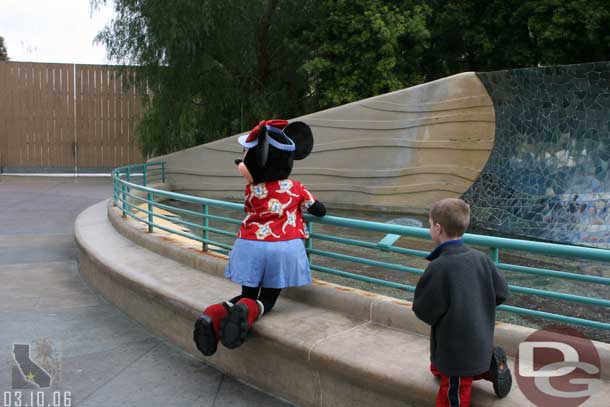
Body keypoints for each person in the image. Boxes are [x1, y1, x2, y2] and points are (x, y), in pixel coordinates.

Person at [193, 119, 326, 356]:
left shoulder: (251, 189)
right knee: (267, 299)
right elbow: (318, 209)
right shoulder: (295, 187)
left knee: (247, 293)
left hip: (249, 245)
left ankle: (214, 313)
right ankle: (249, 309)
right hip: (282, 247)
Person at [413, 198, 512, 406]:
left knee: (454, 390)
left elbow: (423, 309)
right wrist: (475, 306)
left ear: (438, 228)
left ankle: (487, 367)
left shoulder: (439, 267)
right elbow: (502, 292)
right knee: (439, 367)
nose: (429, 228)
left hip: (457, 350)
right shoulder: (481, 258)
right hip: (479, 341)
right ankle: (490, 366)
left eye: (430, 224)